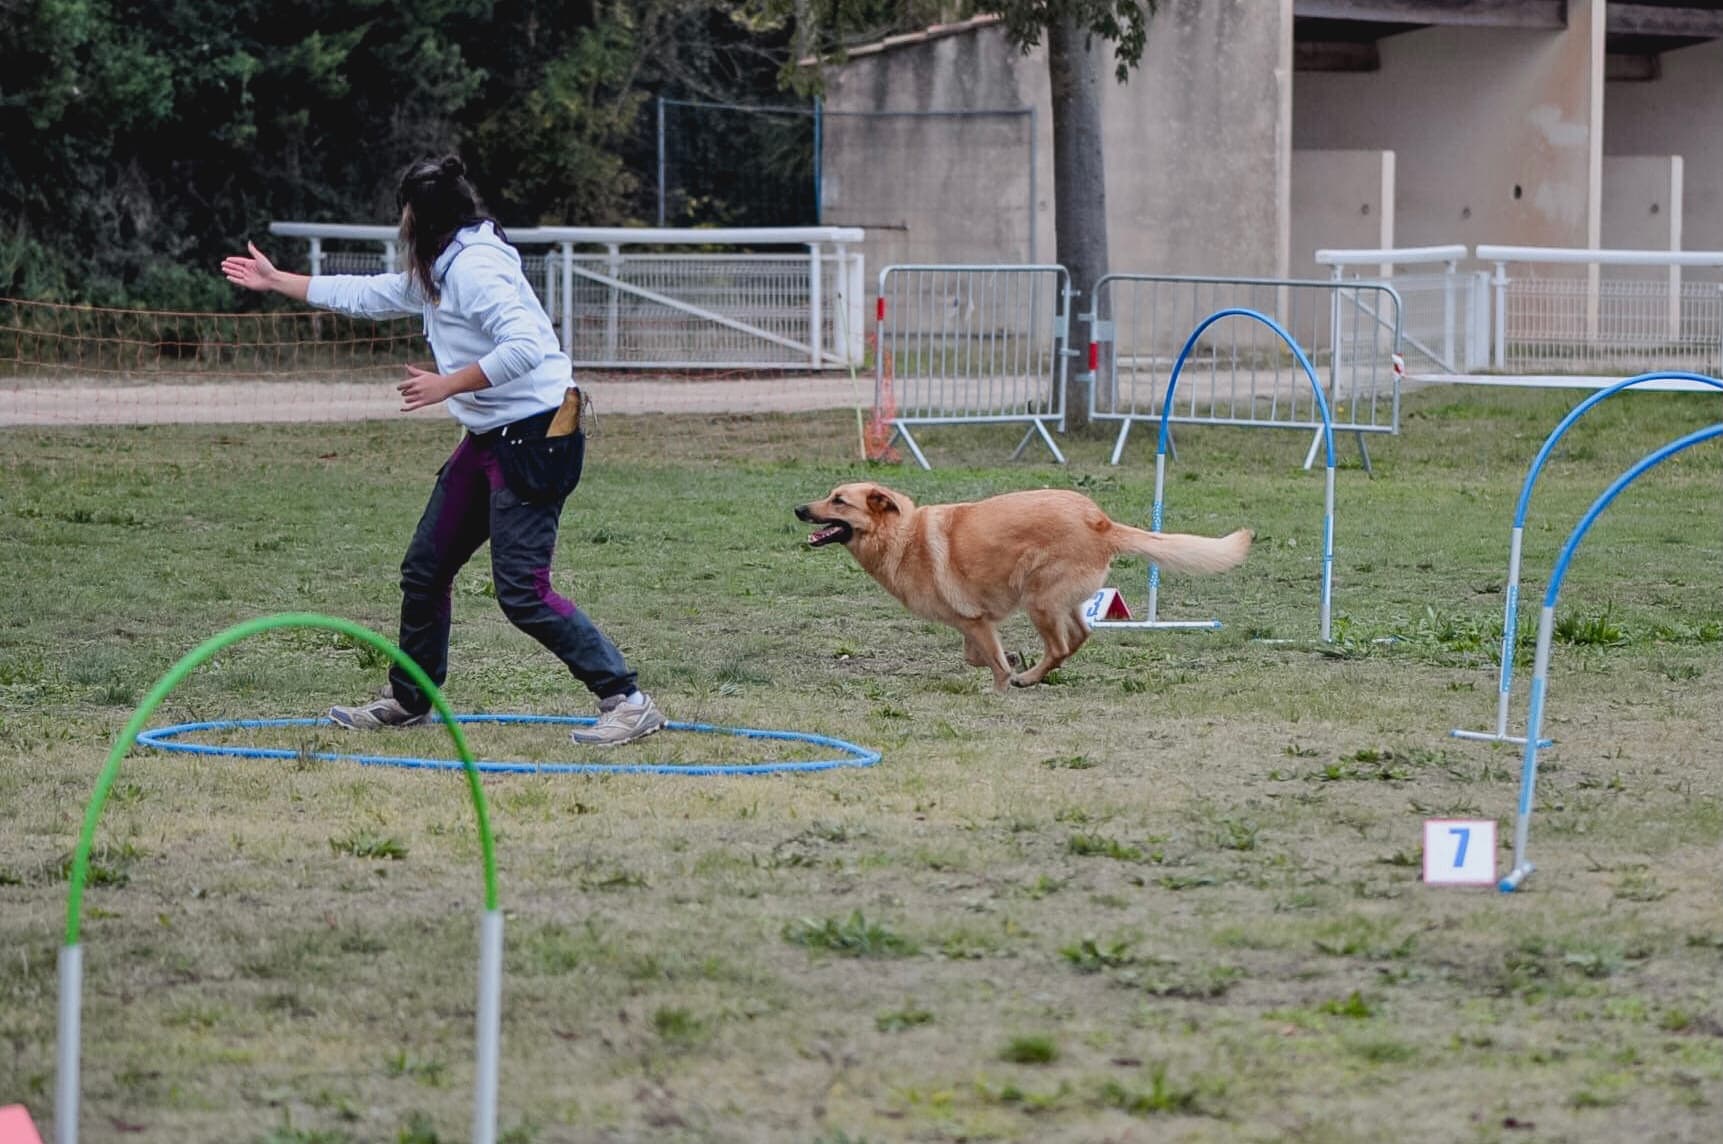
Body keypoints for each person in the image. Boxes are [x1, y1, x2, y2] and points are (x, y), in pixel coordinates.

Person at [220, 154, 665, 746]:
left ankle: (627, 700)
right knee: (425, 569)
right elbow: (373, 293)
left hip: (536, 438)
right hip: (490, 438)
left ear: (419, 218)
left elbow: (526, 348)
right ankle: (411, 700)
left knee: (522, 593)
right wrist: (280, 281)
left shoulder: (475, 267)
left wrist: (446, 385)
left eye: (403, 213)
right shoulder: (445, 263)